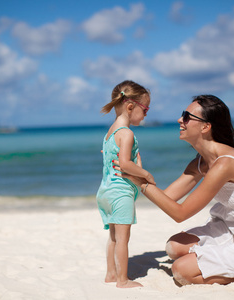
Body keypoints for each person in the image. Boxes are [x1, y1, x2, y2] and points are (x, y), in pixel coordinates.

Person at [115, 95, 234, 285]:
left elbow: (180, 213)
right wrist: (133, 169)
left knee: (181, 272)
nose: (180, 120)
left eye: (186, 116)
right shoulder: (201, 162)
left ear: (205, 127)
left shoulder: (225, 164)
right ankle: (229, 259)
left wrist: (141, 182)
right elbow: (167, 197)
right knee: (173, 247)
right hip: (230, 228)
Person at [96, 80, 156, 288]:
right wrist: (145, 174)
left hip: (105, 192)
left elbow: (112, 160)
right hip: (120, 192)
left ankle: (111, 274)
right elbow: (124, 164)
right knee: (123, 239)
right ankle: (122, 280)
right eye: (145, 109)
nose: (146, 114)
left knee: (113, 237)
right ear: (130, 107)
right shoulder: (127, 133)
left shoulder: (110, 132)